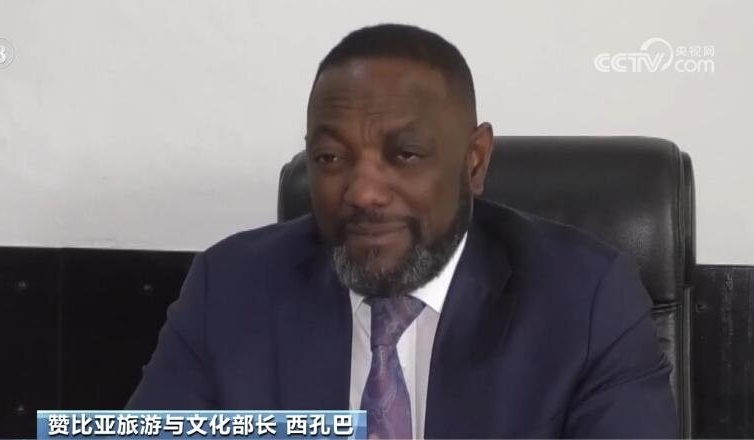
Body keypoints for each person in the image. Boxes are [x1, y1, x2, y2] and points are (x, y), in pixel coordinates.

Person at [126, 23, 678, 438]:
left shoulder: (585, 302)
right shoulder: (229, 290)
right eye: (330, 157)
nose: (363, 192)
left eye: (405, 154)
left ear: (474, 161)